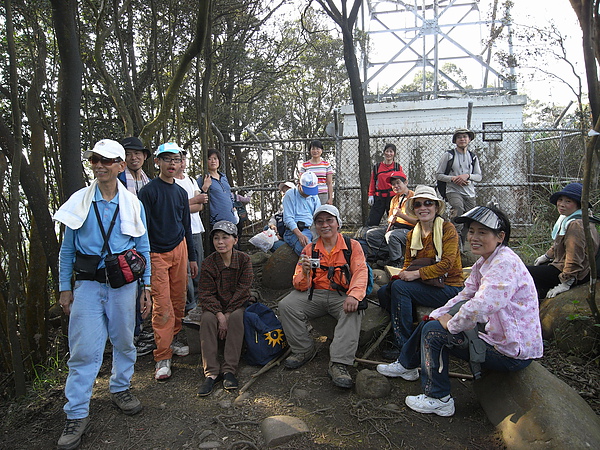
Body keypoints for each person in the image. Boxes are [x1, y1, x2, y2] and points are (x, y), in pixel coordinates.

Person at [377, 206, 543, 417]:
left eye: (482, 232)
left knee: (435, 333)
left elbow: (481, 306)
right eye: (472, 231)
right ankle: (406, 364)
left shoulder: (504, 264)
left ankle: (439, 398)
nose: (473, 237)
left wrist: (451, 324)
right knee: (432, 322)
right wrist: (438, 314)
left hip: (509, 349)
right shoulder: (485, 261)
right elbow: (466, 295)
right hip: (495, 334)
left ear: (500, 237)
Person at [54, 139, 151, 449]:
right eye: (95, 159)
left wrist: (146, 287)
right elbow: (67, 249)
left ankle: (121, 387)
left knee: (124, 340)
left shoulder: (133, 204)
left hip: (123, 286)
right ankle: (76, 412)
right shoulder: (79, 203)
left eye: (107, 160)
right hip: (87, 285)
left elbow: (143, 247)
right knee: (83, 349)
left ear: (121, 165)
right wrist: (64, 288)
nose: (99, 165)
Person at [278, 205, 368, 388]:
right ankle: (303, 350)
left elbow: (360, 272)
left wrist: (355, 295)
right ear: (315, 226)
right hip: (315, 295)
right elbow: (299, 285)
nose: (325, 225)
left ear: (337, 223)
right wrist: (304, 272)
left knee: (354, 311)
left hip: (342, 295)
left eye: (329, 220)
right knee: (286, 305)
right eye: (320, 222)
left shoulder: (352, 246)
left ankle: (339, 363)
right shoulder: (310, 249)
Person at [377, 185, 463, 354]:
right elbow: (409, 263)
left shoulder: (447, 229)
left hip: (449, 287)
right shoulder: (412, 234)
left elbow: (447, 264)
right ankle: (404, 329)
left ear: (436, 207)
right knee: (383, 292)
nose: (423, 208)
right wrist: (404, 273)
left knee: (400, 288)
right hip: (427, 284)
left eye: (428, 203)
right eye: (418, 204)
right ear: (414, 209)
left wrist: (415, 274)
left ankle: (405, 346)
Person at [138, 142, 198, 381]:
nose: (172, 164)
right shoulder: (148, 192)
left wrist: (192, 257)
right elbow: (142, 229)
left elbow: (186, 226)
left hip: (180, 248)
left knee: (178, 300)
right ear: (157, 162)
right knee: (162, 306)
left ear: (181, 163)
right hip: (155, 253)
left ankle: (171, 341)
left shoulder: (181, 192)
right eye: (167, 159)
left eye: (176, 160)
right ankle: (162, 356)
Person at [197, 221, 253, 396]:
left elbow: (243, 290)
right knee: (207, 319)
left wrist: (228, 314)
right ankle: (211, 373)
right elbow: (205, 293)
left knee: (237, 318)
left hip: (237, 305)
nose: (220, 242)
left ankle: (229, 370)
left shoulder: (244, 260)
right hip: (215, 307)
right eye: (216, 238)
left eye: (225, 238)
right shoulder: (208, 263)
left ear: (235, 240)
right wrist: (220, 315)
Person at [527, 182, 600, 299]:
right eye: (560, 200)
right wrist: (546, 256)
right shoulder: (572, 218)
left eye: (568, 201)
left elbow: (574, 256)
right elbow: (559, 243)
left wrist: (566, 281)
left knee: (523, 272)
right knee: (535, 269)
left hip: (574, 272)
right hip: (561, 263)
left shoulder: (576, 224)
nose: (561, 204)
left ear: (578, 204)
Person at [119, 136, 154, 356]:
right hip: (125, 241)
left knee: (143, 286)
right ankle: (130, 336)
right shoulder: (119, 180)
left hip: (143, 238)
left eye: (138, 154)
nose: (134, 158)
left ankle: (139, 332)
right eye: (129, 154)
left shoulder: (146, 179)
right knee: (128, 286)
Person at [175, 149, 208, 312]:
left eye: (183, 159)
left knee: (197, 266)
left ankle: (197, 299)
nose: (182, 162)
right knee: (185, 269)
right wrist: (193, 202)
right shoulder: (171, 183)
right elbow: (173, 208)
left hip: (195, 229)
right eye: (178, 159)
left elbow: (200, 205)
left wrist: (188, 204)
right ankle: (189, 304)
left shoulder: (190, 180)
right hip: (178, 231)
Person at [435, 128, 482, 246]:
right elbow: (438, 175)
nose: (462, 139)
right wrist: (453, 179)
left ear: (469, 139)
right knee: (458, 210)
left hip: (469, 192)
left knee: (470, 218)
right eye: (459, 137)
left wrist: (467, 176)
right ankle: (454, 243)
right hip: (453, 190)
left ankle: (463, 244)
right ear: (455, 140)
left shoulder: (473, 156)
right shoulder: (448, 155)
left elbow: (479, 176)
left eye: (465, 137)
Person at [365, 170, 417, 266]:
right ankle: (386, 255)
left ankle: (396, 261)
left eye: (398, 183)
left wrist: (401, 215)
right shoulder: (394, 199)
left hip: (410, 230)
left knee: (392, 235)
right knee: (371, 234)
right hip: (395, 227)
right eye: (393, 184)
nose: (395, 186)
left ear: (406, 182)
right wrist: (391, 219)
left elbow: (418, 222)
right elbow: (389, 218)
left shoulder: (414, 198)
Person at [282, 172, 321, 255]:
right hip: (295, 231)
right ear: (299, 184)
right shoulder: (290, 194)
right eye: (307, 190)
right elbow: (288, 218)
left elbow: (318, 215)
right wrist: (299, 235)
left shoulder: (314, 196)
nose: (309, 193)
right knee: (308, 251)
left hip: (311, 229)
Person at [366, 143, 403, 226]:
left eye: (391, 152)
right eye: (387, 151)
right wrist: (370, 195)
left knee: (394, 221)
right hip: (379, 197)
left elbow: (401, 182)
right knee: (372, 221)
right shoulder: (377, 167)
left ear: (394, 154)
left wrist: (402, 194)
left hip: (393, 197)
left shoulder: (397, 167)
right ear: (384, 152)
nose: (389, 154)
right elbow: (373, 182)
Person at [200, 148, 238, 226]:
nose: (213, 161)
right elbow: (199, 198)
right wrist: (205, 188)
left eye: (215, 158)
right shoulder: (203, 178)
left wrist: (234, 210)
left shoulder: (223, 177)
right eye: (209, 159)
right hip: (216, 221)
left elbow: (229, 194)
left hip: (231, 219)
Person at [299, 140, 334, 205]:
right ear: (310, 150)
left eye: (317, 148)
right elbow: (301, 182)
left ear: (322, 150)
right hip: (308, 195)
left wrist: (330, 198)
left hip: (323, 195)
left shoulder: (327, 165)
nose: (315, 151)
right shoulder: (304, 165)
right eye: (313, 149)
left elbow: (329, 183)